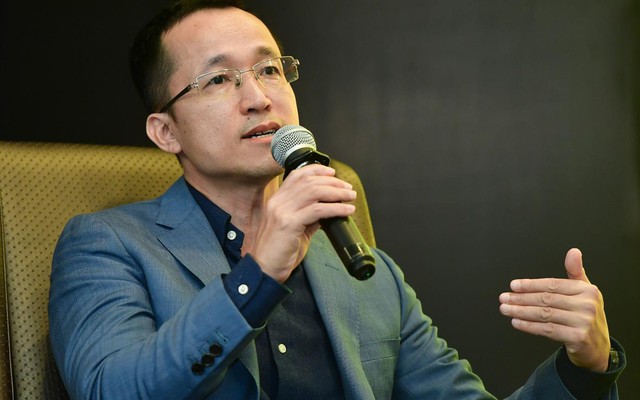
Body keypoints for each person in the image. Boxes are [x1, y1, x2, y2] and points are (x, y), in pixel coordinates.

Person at [48, 0, 625, 398]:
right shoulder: (107, 244)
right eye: (219, 79)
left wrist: (585, 370)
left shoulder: (366, 270)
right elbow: (110, 389)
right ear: (165, 132)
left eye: (269, 69)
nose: (258, 98)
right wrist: (258, 274)